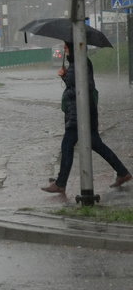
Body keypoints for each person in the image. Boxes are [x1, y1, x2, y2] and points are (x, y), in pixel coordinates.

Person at [42, 43, 131, 194]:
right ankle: (123, 172)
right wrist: (65, 76)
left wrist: (64, 76)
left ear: (73, 47)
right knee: (97, 145)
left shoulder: (81, 62)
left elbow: (82, 85)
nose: (64, 49)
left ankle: (61, 183)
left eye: (66, 47)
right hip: (82, 112)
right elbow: (76, 85)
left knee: (67, 146)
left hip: (80, 114)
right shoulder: (76, 62)